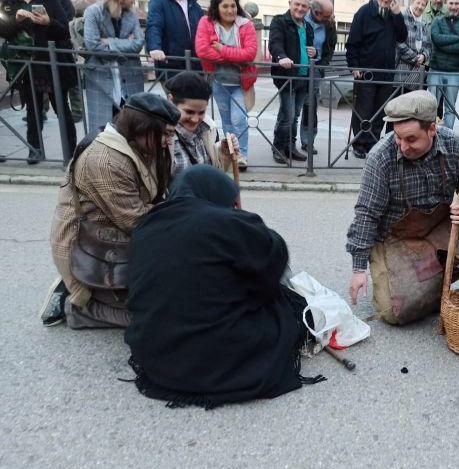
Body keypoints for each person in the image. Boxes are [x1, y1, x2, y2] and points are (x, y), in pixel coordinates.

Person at [125, 165, 316, 408]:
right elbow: (274, 262)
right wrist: (243, 223)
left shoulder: (146, 225)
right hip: (220, 364)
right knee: (283, 304)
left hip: (158, 358)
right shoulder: (230, 224)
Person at [346, 90, 459, 325]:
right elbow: (366, 214)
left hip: (438, 233)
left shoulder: (455, 145)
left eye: (411, 139)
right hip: (396, 241)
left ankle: (444, 288)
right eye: (397, 137)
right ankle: (432, 287)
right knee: (394, 314)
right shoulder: (380, 158)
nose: (403, 146)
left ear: (432, 129)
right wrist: (358, 269)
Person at [47, 93, 180, 329]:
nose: (169, 141)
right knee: (157, 319)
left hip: (117, 239)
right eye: (166, 133)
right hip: (92, 246)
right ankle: (80, 307)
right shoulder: (106, 160)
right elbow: (135, 220)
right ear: (143, 127)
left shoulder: (137, 142)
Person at [0, 0, 76, 163]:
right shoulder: (7, 2)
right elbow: (2, 30)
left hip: (52, 65)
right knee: (33, 111)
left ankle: (72, 152)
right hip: (26, 66)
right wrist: (16, 21)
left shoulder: (50, 0)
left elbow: (64, 31)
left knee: (62, 110)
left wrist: (48, 22)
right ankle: (35, 151)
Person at [345, 0, 408, 158]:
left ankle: (373, 142)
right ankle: (359, 143)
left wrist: (397, 16)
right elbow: (353, 43)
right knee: (363, 110)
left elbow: (402, 37)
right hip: (366, 71)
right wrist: (354, 65)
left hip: (386, 72)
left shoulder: (393, 14)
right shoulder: (364, 12)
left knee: (380, 110)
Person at [195, 0, 257, 170]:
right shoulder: (206, 22)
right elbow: (202, 50)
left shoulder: (245, 24)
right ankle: (232, 153)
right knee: (227, 120)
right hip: (218, 81)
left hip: (241, 82)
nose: (230, 10)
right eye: (225, 6)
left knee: (239, 119)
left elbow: (250, 54)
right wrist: (234, 57)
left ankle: (242, 154)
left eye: (233, 6)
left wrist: (222, 49)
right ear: (217, 7)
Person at [82, 0, 145, 134]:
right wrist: (125, 44)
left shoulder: (131, 15)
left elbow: (138, 44)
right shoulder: (94, 12)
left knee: (132, 126)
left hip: (129, 77)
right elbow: (93, 45)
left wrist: (110, 42)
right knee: (102, 130)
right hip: (101, 78)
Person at [267, 0, 315, 164]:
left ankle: (290, 147)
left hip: (303, 77)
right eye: (297, 4)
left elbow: (308, 49)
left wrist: (313, 52)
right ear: (290, 3)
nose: (300, 8)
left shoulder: (308, 27)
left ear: (308, 8)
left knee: (295, 116)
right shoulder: (279, 21)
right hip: (286, 76)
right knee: (287, 115)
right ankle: (278, 147)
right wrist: (281, 57)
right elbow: (274, 43)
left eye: (304, 6)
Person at [163, 71, 238, 179]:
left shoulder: (208, 128)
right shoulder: (160, 135)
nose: (195, 119)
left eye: (201, 112)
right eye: (189, 112)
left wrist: (224, 152)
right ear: (171, 100)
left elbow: (215, 173)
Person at [145, 0, 204, 79]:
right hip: (170, 66)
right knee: (176, 98)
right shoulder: (157, 1)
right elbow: (154, 25)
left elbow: (203, 28)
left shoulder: (193, 2)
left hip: (195, 65)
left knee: (197, 98)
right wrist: (154, 47)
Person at [428, 0, 459, 130]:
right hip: (436, 69)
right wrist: (456, 38)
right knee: (431, 108)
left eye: (456, 3)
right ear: (447, 3)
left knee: (451, 108)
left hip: (455, 72)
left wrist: (445, 43)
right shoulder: (437, 21)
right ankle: (430, 140)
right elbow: (436, 40)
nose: (453, 6)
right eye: (451, 3)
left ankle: (448, 138)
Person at [300, 0, 336, 156]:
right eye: (327, 16)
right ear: (315, 12)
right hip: (297, 67)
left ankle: (308, 141)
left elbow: (330, 48)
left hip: (316, 69)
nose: (330, 19)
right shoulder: (301, 19)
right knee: (291, 108)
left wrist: (321, 65)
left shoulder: (328, 24)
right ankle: (284, 144)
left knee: (310, 106)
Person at [395, 0, 431, 93]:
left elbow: (429, 46)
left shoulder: (425, 23)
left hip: (417, 73)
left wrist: (424, 56)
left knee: (413, 107)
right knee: (399, 105)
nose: (420, 7)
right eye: (418, 3)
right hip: (401, 70)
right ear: (412, 1)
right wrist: (415, 58)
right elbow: (398, 42)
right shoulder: (402, 17)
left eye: (423, 4)